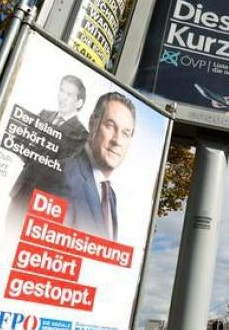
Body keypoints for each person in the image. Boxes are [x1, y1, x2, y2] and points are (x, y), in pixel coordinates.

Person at [8, 75, 88, 226]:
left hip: (46, 201)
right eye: (61, 91)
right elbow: (19, 141)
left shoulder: (81, 134)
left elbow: (62, 164)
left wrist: (35, 150)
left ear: (79, 103)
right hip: (21, 191)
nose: (62, 98)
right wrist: (40, 153)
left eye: (69, 94)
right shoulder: (44, 114)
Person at [59, 92, 136, 240]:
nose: (117, 140)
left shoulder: (109, 193)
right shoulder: (62, 174)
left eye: (126, 134)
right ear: (93, 123)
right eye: (110, 126)